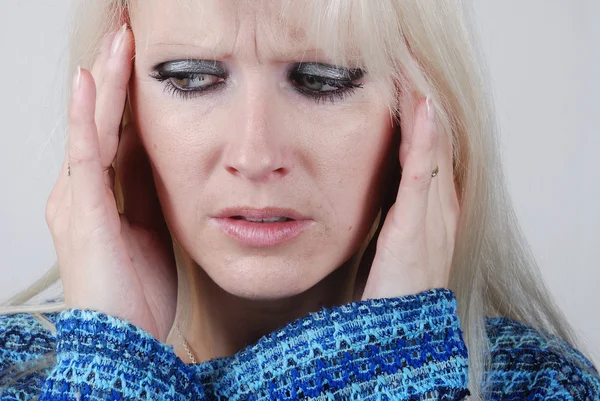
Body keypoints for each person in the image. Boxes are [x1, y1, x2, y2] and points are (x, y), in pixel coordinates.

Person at [1, 1, 598, 400]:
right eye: (189, 77)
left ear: (421, 114)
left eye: (323, 79)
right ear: (123, 104)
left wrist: (388, 362)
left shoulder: (543, 387)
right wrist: (108, 363)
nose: (255, 154)